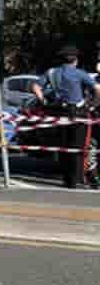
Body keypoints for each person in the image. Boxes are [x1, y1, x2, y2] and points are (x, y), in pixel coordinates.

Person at [32, 45, 97, 189]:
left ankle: (67, 179)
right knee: (79, 147)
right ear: (76, 60)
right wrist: (92, 105)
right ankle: (77, 179)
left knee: (63, 146)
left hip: (58, 113)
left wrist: (43, 101)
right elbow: (97, 89)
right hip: (78, 113)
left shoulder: (51, 72)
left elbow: (35, 86)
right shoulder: (80, 73)